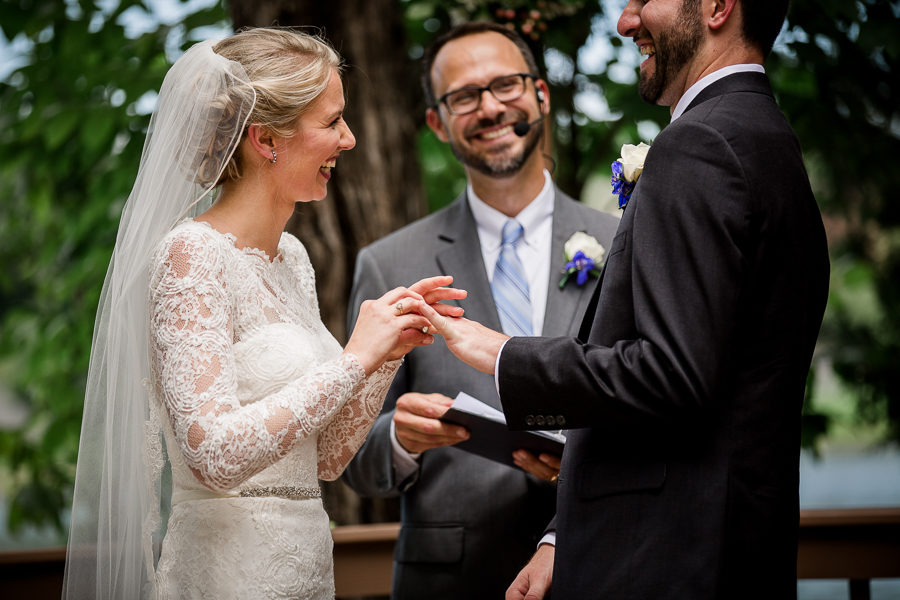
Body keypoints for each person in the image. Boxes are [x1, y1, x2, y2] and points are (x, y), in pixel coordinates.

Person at [421, 1, 830, 599]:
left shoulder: (701, 143)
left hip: (670, 562)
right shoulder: (766, 137)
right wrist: (564, 539)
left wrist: (504, 353)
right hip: (735, 548)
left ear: (717, 6)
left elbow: (671, 373)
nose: (626, 20)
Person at [62, 28, 462, 599]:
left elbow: (324, 459)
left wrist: (385, 358)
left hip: (306, 570)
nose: (348, 140)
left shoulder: (291, 257)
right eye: (332, 123)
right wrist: (355, 359)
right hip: (226, 575)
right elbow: (212, 457)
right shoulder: (190, 255)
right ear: (266, 139)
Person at [341, 22, 620, 600]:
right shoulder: (390, 263)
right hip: (450, 581)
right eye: (464, 96)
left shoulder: (622, 244)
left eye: (506, 85)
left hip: (595, 563)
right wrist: (400, 438)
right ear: (438, 122)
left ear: (540, 94)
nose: (490, 108)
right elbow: (353, 459)